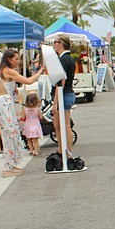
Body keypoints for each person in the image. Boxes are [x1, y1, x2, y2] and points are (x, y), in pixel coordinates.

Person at [0, 49, 45, 177]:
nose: (18, 62)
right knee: (11, 135)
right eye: (16, 59)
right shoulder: (8, 71)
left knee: (9, 134)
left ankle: (11, 164)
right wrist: (40, 72)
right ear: (9, 59)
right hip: (5, 103)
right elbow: (29, 81)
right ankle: (8, 167)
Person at [49, 35, 85, 172]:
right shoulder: (67, 58)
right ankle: (62, 150)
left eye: (56, 42)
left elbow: (61, 81)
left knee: (64, 125)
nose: (54, 44)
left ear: (61, 44)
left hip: (64, 94)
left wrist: (55, 103)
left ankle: (67, 152)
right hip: (66, 94)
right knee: (58, 125)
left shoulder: (63, 59)